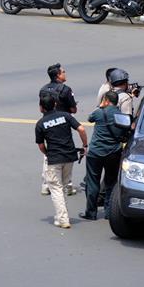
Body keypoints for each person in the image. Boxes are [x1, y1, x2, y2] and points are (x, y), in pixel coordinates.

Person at [35, 94, 88, 229]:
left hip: (54, 159)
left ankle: (63, 219)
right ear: (54, 105)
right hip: (69, 157)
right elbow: (81, 128)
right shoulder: (65, 115)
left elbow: (41, 146)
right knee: (63, 186)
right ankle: (61, 216)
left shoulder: (40, 124)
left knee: (56, 188)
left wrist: (48, 154)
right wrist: (85, 145)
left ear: (41, 108)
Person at [79, 91, 126, 221]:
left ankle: (91, 212)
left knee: (93, 182)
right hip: (113, 153)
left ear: (106, 100)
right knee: (110, 182)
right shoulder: (121, 115)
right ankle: (108, 212)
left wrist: (101, 106)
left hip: (95, 153)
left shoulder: (99, 112)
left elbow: (90, 118)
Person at [39, 63, 78, 196]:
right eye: (63, 72)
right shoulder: (66, 90)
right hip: (63, 124)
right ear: (58, 75)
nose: (65, 74)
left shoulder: (43, 89)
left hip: (47, 124)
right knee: (66, 154)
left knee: (48, 155)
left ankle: (45, 185)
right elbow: (73, 109)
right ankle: (67, 186)